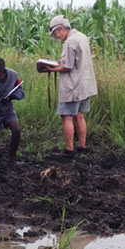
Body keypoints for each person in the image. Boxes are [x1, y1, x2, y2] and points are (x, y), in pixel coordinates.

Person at [43, 15, 97, 158]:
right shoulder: (82, 37)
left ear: (61, 28)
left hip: (73, 86)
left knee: (67, 116)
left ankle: (69, 150)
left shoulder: (69, 42)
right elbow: (77, 59)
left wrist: (50, 69)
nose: (57, 37)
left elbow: (67, 67)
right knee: (79, 116)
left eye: (56, 34)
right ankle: (82, 146)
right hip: (85, 84)